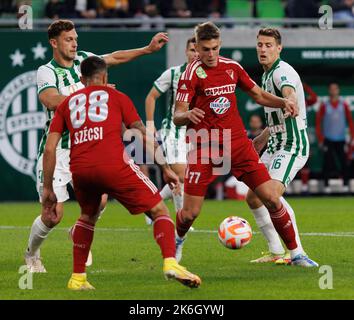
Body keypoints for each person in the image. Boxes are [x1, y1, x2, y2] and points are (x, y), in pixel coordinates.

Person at [42, 56, 201, 290]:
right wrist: (165, 168)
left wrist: (47, 188)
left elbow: (49, 148)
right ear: (105, 77)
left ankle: (78, 278)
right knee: (159, 210)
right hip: (113, 164)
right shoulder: (117, 97)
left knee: (87, 216)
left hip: (81, 170)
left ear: (81, 79)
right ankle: (170, 262)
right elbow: (141, 133)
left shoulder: (67, 104)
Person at [25, 19, 169, 273]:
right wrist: (91, 95)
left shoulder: (84, 59)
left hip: (87, 144)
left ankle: (79, 230)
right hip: (59, 147)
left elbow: (114, 57)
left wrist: (146, 50)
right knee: (51, 215)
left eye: (75, 39)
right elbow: (49, 99)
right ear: (54, 42)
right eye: (69, 39)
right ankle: (32, 254)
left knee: (100, 199)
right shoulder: (46, 71)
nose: (74, 43)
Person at [173, 21, 317, 268]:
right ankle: (177, 241)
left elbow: (258, 95)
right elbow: (178, 115)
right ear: (196, 46)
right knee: (190, 213)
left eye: (215, 48)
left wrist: (284, 102)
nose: (210, 54)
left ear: (220, 45)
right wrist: (188, 115)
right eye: (205, 49)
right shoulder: (190, 75)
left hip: (238, 143)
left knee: (271, 197)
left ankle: (296, 254)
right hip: (204, 145)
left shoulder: (232, 68)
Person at [246, 28, 318, 266]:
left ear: (279, 48)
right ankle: (276, 251)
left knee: (272, 195)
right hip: (275, 143)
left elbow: (289, 93)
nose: (263, 49)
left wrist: (291, 101)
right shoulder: (265, 76)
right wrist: (261, 138)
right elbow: (276, 116)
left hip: (292, 145)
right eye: (260, 45)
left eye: (268, 45)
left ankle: (297, 253)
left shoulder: (282, 71)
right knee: (254, 198)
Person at [144, 36, 198, 224]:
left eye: (198, 50)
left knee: (188, 178)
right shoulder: (174, 73)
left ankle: (152, 205)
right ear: (186, 51)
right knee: (181, 175)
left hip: (197, 133)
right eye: (192, 50)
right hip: (174, 131)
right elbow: (151, 96)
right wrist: (150, 124)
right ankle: (181, 220)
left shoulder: (209, 76)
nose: (195, 54)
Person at [316, 82, 354, 193]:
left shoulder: (344, 105)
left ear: (338, 90)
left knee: (344, 162)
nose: (333, 91)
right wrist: (320, 139)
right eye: (331, 89)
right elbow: (318, 123)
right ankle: (326, 186)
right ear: (329, 91)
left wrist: (352, 138)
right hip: (328, 139)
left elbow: (350, 121)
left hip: (341, 139)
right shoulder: (324, 105)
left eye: (335, 89)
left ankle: (346, 185)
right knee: (327, 162)